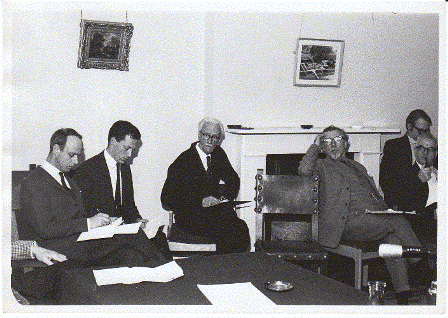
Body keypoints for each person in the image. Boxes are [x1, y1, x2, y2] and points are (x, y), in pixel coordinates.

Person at [298, 125, 421, 305]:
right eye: (327, 141)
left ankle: (403, 294)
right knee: (398, 222)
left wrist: (385, 210)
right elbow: (303, 171)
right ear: (322, 147)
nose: (333, 144)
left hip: (371, 219)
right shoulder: (321, 166)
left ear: (346, 144)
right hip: (345, 223)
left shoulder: (358, 166)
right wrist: (314, 145)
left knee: (393, 237)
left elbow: (374, 195)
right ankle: (421, 264)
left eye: (338, 139)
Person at [19, 128, 168, 266]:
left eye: (78, 155)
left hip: (79, 241)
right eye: (72, 155)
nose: (76, 161)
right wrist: (89, 223)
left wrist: (106, 222)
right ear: (56, 149)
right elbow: (46, 229)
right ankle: (167, 271)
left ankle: (165, 273)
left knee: (133, 251)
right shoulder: (34, 182)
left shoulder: (68, 179)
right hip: (56, 247)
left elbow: (80, 214)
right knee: (132, 240)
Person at [70, 121, 171, 259]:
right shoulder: (88, 170)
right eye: (126, 148)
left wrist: (138, 220)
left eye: (132, 150)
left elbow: (129, 205)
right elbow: (83, 211)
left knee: (159, 238)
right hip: (102, 235)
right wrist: (110, 221)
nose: (129, 154)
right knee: (138, 252)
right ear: (113, 141)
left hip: (121, 231)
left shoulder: (124, 169)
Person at [161, 117, 250, 254]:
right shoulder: (183, 161)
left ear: (219, 140)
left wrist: (223, 197)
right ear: (199, 135)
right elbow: (166, 199)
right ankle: (223, 267)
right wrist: (200, 201)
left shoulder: (218, 154)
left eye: (215, 137)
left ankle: (234, 268)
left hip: (214, 213)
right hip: (190, 216)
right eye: (206, 135)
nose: (210, 140)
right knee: (226, 230)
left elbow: (233, 179)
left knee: (241, 227)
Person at [380, 109, 435, 210]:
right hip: (402, 204)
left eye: (427, 131)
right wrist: (417, 180)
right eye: (421, 131)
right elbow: (386, 182)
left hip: (428, 203)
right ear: (409, 126)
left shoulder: (432, 146)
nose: (424, 134)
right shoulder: (393, 146)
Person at [398, 132, 437, 245]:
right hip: (422, 223)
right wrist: (418, 180)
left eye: (430, 149)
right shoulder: (405, 173)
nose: (425, 152)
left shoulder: (440, 172)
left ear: (435, 153)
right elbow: (401, 201)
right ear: (415, 150)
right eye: (421, 148)